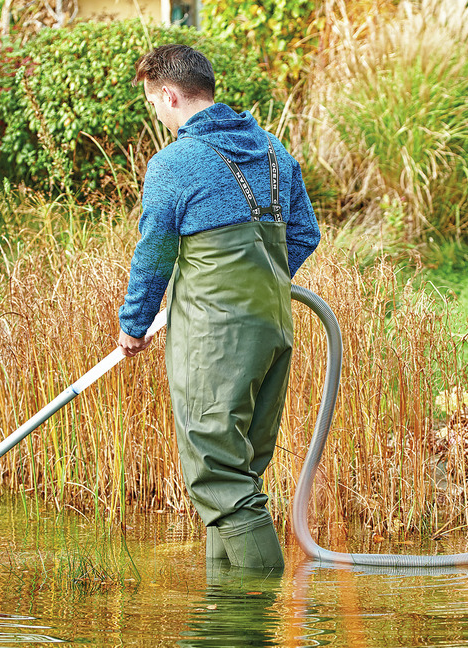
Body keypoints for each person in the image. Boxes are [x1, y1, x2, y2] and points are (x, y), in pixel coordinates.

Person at [117, 44, 320, 568]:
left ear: (170, 94)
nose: (157, 115)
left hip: (215, 339)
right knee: (241, 472)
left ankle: (259, 605)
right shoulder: (273, 151)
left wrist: (134, 324)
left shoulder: (175, 163)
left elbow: (155, 251)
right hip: (273, 327)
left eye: (154, 104)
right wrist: (257, 284)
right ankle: (227, 618)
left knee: (216, 469)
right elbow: (304, 233)